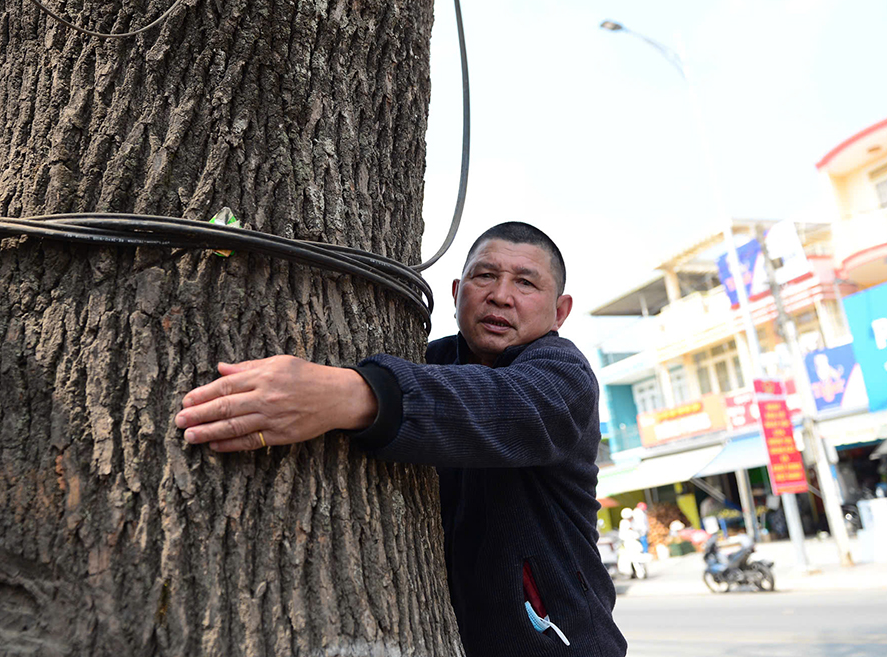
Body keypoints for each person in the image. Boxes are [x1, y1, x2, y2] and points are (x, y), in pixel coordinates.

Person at [175, 221, 627, 656]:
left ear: (560, 311)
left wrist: (349, 395)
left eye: (526, 283)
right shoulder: (427, 361)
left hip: (561, 643)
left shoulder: (565, 375)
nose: (500, 295)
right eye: (484, 276)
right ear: (456, 292)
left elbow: (511, 408)